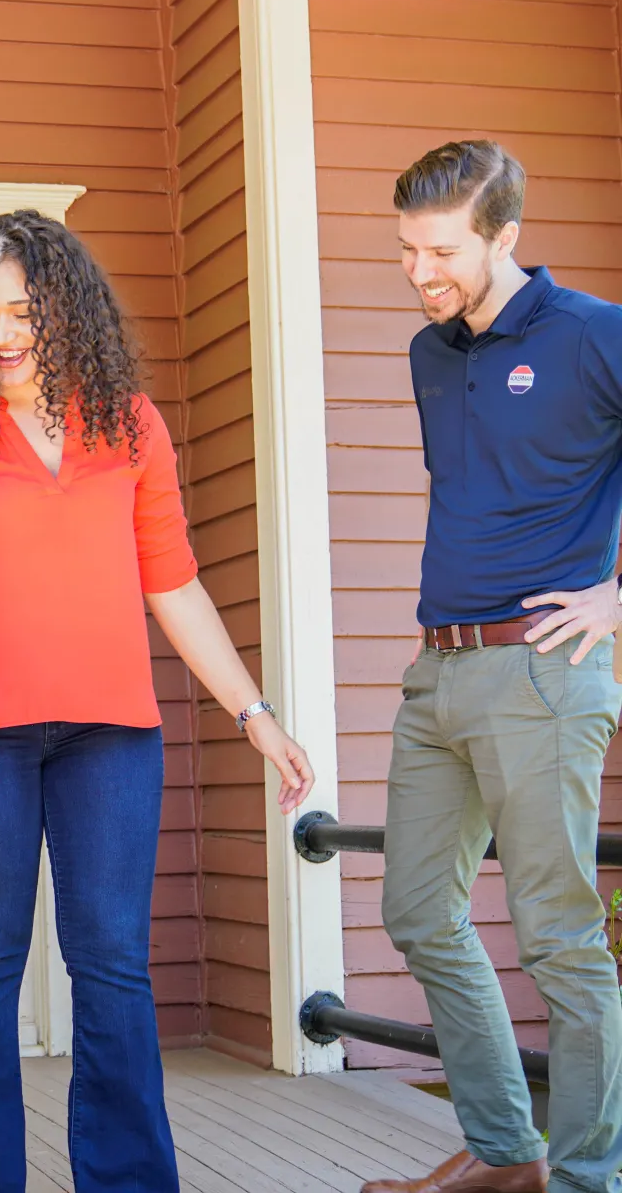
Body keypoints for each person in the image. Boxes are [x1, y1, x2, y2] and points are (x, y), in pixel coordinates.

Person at [0, 208, 315, 1192]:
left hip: (111, 738)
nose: (3, 333)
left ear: (68, 312)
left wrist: (253, 713)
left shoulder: (131, 423)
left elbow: (171, 581)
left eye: (22, 312)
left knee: (111, 968)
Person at [362, 141, 622, 1193]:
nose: (421, 271)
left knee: (559, 940)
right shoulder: (432, 352)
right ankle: (507, 1153)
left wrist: (617, 596)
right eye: (405, 250)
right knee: (418, 910)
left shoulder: (594, 336)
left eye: (442, 250)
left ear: (504, 237)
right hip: (438, 674)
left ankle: (589, 1176)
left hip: (539, 676)